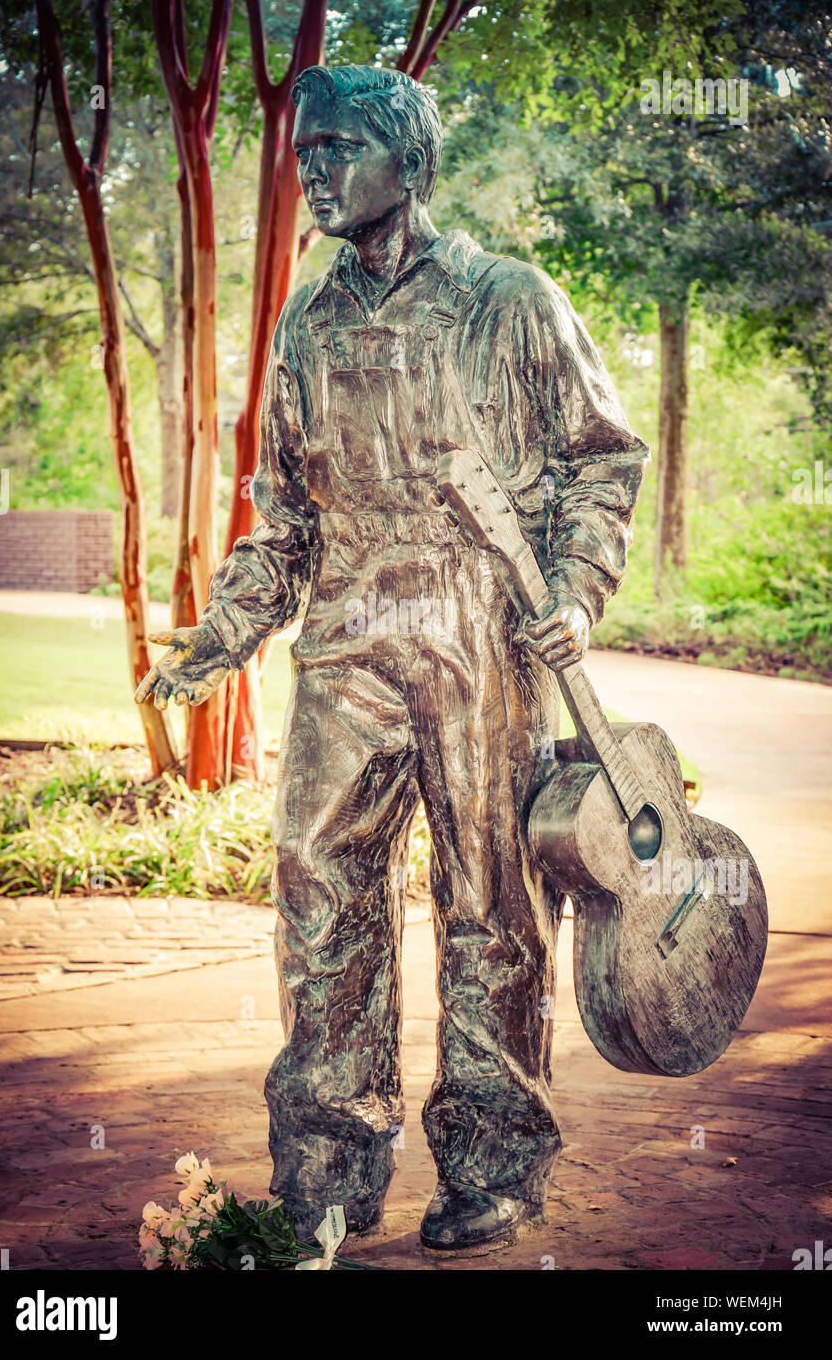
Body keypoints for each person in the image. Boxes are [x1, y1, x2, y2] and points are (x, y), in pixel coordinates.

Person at [135, 64, 650, 1253]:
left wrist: (574, 589)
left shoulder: (510, 300)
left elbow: (602, 457)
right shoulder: (306, 323)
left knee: (489, 908)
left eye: (336, 146)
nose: (310, 167)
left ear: (406, 162)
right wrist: (222, 636)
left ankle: (493, 1164)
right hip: (348, 647)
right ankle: (325, 1168)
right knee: (320, 905)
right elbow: (284, 520)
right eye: (302, 149)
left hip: (483, 640)